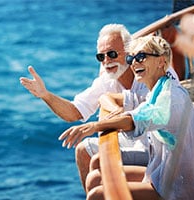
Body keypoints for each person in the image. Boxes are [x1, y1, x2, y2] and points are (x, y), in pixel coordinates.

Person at [59, 35, 194, 200]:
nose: (135, 62)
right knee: (95, 178)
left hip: (178, 188)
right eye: (132, 58)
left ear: (161, 61)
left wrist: (94, 126)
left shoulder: (170, 98)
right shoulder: (157, 90)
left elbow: (135, 120)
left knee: (97, 194)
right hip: (161, 172)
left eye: (142, 57)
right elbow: (126, 102)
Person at [20, 24, 153, 191]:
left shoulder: (148, 74)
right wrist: (46, 95)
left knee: (97, 171)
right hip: (132, 142)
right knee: (83, 151)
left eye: (112, 54)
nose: (106, 61)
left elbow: (139, 119)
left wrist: (96, 125)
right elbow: (74, 112)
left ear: (129, 53)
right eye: (101, 57)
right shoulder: (106, 81)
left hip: (154, 147)